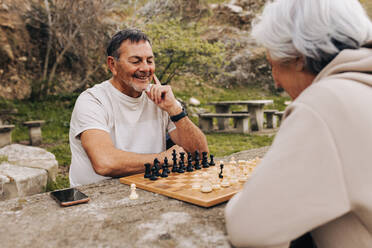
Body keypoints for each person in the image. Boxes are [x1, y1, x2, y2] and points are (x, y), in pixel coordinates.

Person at [225, 0, 372, 247]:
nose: (277, 83)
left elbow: (250, 227)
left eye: (274, 66)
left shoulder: (325, 102)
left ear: (297, 57)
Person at [69, 29, 208, 186]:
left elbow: (200, 155)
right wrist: (165, 158)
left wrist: (175, 110)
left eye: (149, 61)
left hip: (148, 189)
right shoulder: (92, 100)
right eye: (135, 61)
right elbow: (105, 162)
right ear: (112, 65)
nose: (145, 68)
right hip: (95, 198)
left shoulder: (160, 99)